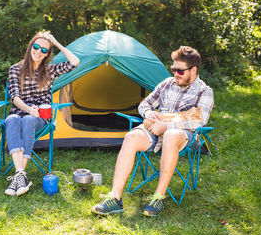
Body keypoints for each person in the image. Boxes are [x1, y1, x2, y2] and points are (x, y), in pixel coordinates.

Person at [91, 46, 214, 216]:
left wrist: (166, 125)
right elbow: (145, 104)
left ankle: (158, 197)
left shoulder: (204, 91)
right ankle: (115, 197)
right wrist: (149, 113)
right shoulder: (166, 84)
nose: (175, 74)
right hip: (155, 130)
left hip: (184, 136)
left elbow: (199, 119)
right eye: (173, 69)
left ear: (194, 70)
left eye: (180, 71)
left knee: (171, 135)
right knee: (131, 136)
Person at [4, 31, 80, 196]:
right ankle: (21, 175)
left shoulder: (50, 70)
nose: (38, 52)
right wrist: (27, 109)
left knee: (29, 121)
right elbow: (15, 97)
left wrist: (56, 43)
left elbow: (75, 62)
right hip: (21, 110)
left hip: (41, 117)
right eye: (36, 47)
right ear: (30, 46)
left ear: (47, 54)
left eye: (44, 50)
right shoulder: (15, 69)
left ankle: (18, 178)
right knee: (11, 119)